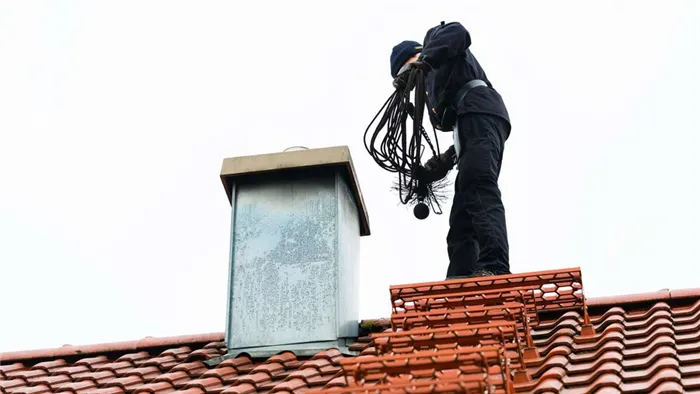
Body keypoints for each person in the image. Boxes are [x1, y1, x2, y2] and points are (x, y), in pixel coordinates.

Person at [390, 21, 512, 279]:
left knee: (478, 186)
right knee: (461, 218)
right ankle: (459, 281)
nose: (411, 81)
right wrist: (444, 161)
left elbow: (459, 32)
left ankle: (494, 266)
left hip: (480, 111)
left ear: (415, 56)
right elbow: (464, 131)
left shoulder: (435, 42)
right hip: (471, 124)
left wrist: (425, 60)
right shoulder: (435, 91)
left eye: (406, 71)